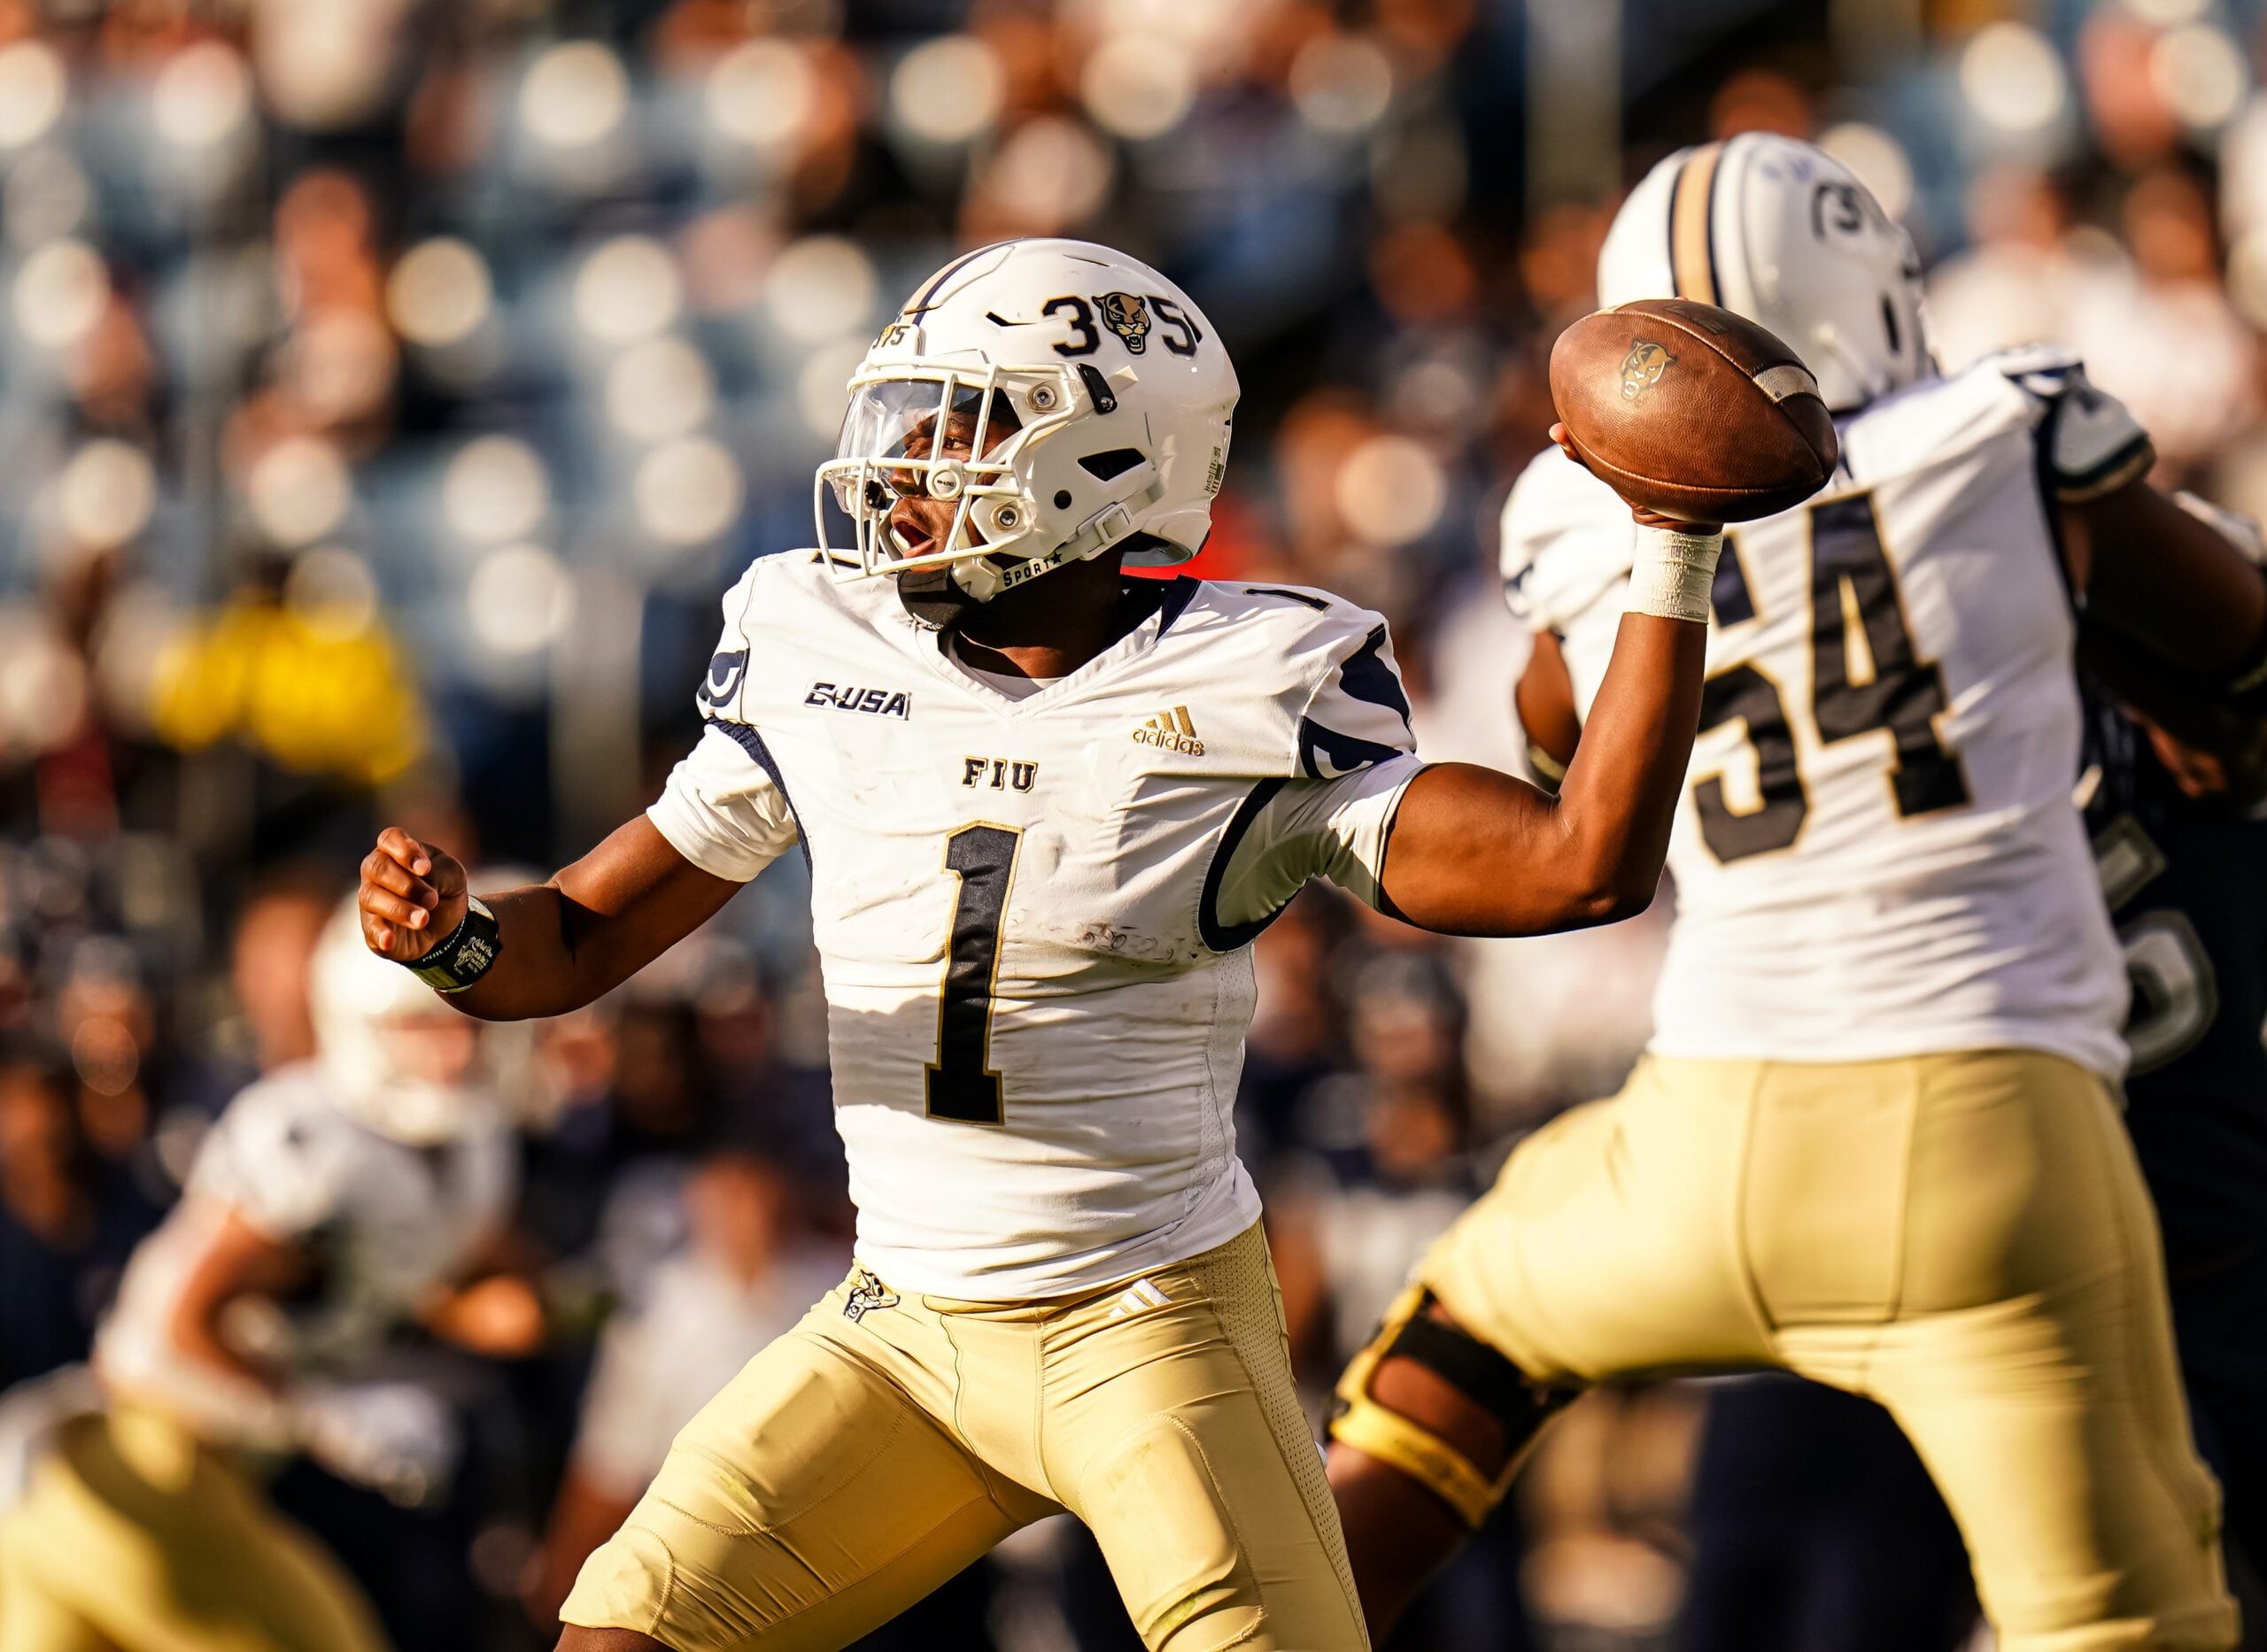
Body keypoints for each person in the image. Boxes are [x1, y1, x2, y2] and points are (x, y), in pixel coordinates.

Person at [352, 236, 1727, 1652]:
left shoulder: (1249, 684)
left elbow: (1576, 867)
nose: (910, 463)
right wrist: (458, 941)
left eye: (966, 423)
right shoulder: (825, 641)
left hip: (1150, 1325)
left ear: (1112, 461)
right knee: (621, 1636)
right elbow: (574, 937)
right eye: (910, 419)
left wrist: (1674, 550)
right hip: (900, 1328)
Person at [1324, 135, 2267, 1652]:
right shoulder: (2003, 433)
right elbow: (2239, 657)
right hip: (1999, 1143)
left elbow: (1562, 734)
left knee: (1471, 1330)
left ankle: (1265, 1624)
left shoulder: (1568, 522)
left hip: (1710, 1128)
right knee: (2131, 1614)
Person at [0, 898, 539, 1652]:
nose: (454, 1053)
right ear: (359, 1025)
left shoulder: (474, 1147)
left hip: (202, 1477)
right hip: (146, 1470)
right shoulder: (316, 1141)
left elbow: (444, 1282)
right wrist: (328, 1418)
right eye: (423, 1026)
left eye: (464, 1023)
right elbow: (179, 1324)